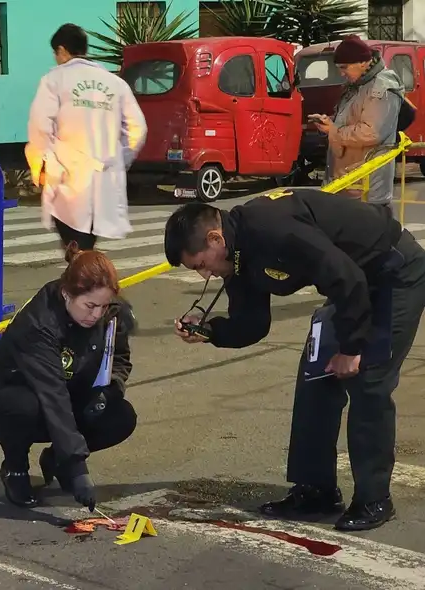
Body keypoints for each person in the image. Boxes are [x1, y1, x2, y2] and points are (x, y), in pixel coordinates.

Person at [164, 187, 425, 531]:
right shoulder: (237, 255)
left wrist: (351, 348)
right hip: (351, 287)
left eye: (200, 264)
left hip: (392, 273)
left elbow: (344, 275)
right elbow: (252, 324)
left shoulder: (269, 228)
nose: (204, 275)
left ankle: (374, 499)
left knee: (368, 381)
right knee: (315, 378)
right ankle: (316, 491)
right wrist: (211, 331)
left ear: (214, 238)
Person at [0, 245, 137, 510]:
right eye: (90, 306)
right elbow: (52, 394)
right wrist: (78, 469)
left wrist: (110, 389)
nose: (96, 315)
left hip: (66, 391)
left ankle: (56, 460)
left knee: (120, 416)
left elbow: (120, 357)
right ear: (67, 293)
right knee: (28, 407)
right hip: (4, 395)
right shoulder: (40, 322)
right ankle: (15, 468)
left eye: (103, 306)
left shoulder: (110, 313)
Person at [24, 23, 147, 252]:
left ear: (61, 50)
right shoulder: (115, 83)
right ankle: (85, 277)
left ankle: (81, 281)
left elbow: (40, 127)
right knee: (86, 242)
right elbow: (137, 129)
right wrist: (120, 159)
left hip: (68, 176)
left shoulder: (54, 80)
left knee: (73, 243)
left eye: (55, 53)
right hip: (105, 179)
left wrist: (39, 164)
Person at [308, 36, 406, 214]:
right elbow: (349, 120)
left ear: (363, 62)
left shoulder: (382, 86)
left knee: (369, 239)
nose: (342, 73)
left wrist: (334, 130)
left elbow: (372, 132)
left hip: (366, 191)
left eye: (344, 67)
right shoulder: (358, 84)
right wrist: (328, 123)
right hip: (347, 184)